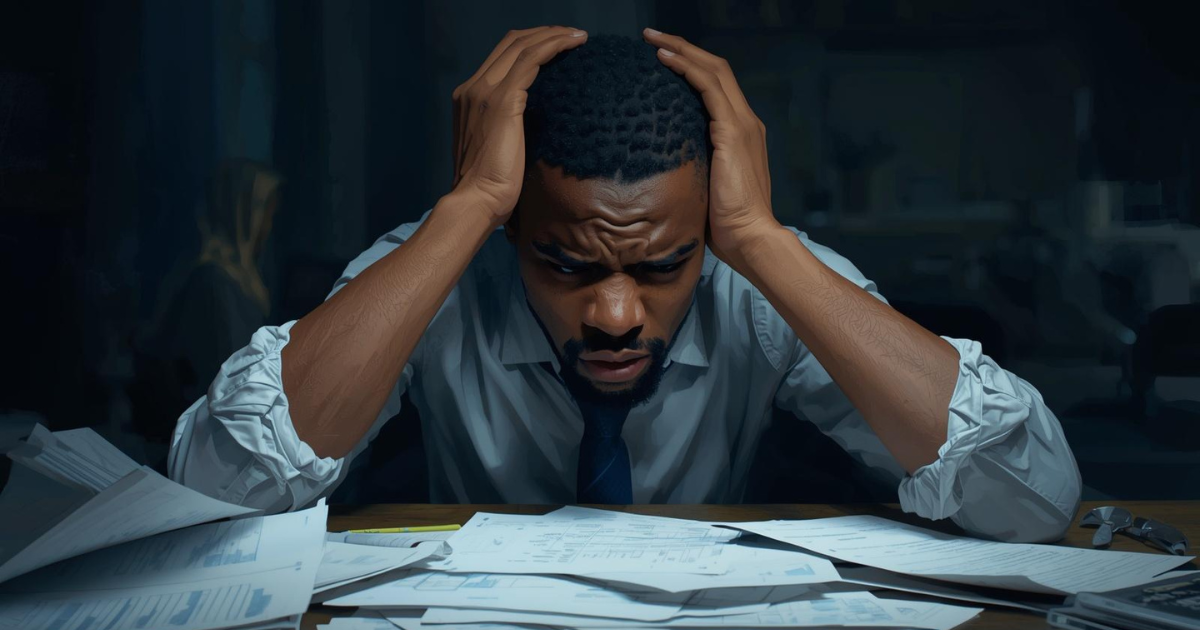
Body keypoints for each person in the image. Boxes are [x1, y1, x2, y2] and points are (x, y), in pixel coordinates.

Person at [168, 28, 1081, 543]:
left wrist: (758, 236)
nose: (614, 315)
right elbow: (215, 498)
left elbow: (1032, 502)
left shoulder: (751, 267)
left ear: (709, 236)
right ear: (513, 230)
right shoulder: (444, 261)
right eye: (565, 265)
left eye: (662, 266)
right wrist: (470, 204)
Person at [130, 160, 281, 467]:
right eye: (262, 209)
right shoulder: (213, 283)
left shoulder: (240, 280)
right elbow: (229, 380)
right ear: (239, 212)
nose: (269, 223)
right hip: (210, 448)